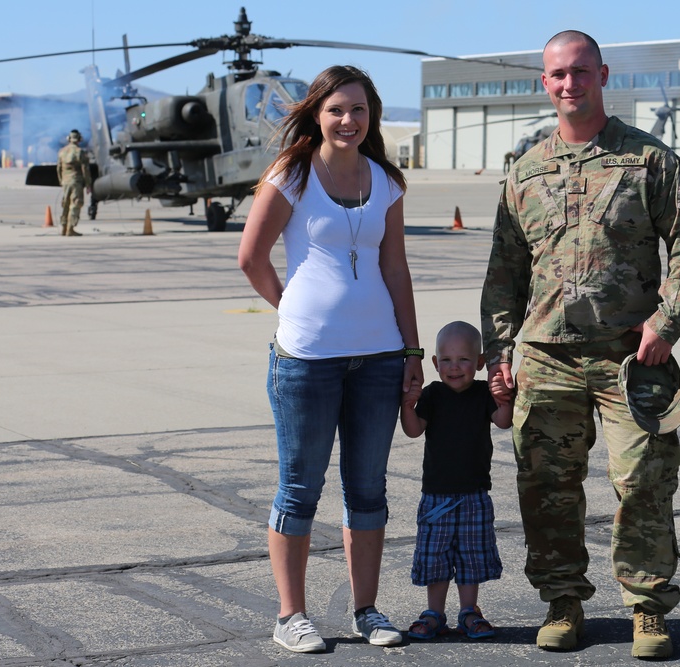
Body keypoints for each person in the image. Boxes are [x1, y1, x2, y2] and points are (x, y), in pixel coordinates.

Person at [480, 30, 680, 660]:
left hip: (630, 359)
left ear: (603, 76)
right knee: (547, 488)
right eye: (557, 75)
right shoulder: (524, 173)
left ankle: (648, 608)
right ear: (544, 82)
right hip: (548, 358)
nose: (569, 84)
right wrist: (499, 351)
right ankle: (562, 602)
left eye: (580, 72)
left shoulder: (649, 161)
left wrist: (667, 324)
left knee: (643, 482)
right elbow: (504, 270)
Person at [238, 65, 423, 654]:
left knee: (368, 489)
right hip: (307, 358)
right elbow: (251, 257)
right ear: (317, 113)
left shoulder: (386, 181)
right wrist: (292, 308)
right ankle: (291, 614)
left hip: (378, 357)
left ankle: (366, 610)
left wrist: (412, 350)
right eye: (337, 109)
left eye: (360, 110)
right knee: (299, 489)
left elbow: (395, 267)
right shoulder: (292, 173)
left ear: (372, 117)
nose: (349, 120)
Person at [399, 321, 512, 641]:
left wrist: (503, 396)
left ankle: (469, 611)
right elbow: (413, 429)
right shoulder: (433, 394)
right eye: (446, 360)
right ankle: (434, 613)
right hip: (436, 496)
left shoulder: (481, 394)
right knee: (435, 557)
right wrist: (407, 405)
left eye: (463, 359)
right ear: (435, 364)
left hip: (475, 495)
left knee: (470, 557)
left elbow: (504, 422)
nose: (454, 367)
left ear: (479, 363)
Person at [56, 129, 92, 237]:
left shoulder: (62, 151)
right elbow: (85, 169)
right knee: (75, 204)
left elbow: (58, 168)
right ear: (79, 139)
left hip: (65, 181)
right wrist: (88, 184)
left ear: (69, 139)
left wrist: (61, 181)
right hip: (76, 181)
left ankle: (63, 228)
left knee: (65, 204)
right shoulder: (79, 152)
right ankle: (70, 229)